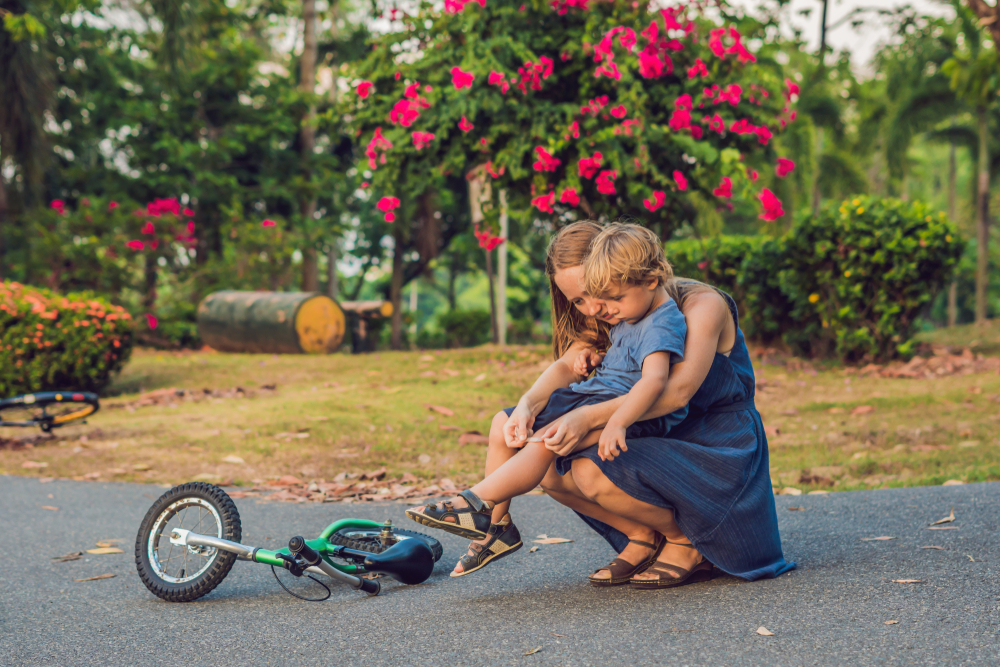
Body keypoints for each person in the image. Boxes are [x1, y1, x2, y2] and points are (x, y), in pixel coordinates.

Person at [406, 224, 689, 577]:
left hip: (619, 408)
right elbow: (571, 365)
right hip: (598, 395)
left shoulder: (647, 314)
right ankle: (495, 527)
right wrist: (528, 404)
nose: (592, 310)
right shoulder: (624, 313)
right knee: (503, 423)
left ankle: (475, 502)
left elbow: (656, 382)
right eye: (579, 301)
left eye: (599, 294)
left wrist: (615, 419)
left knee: (546, 442)